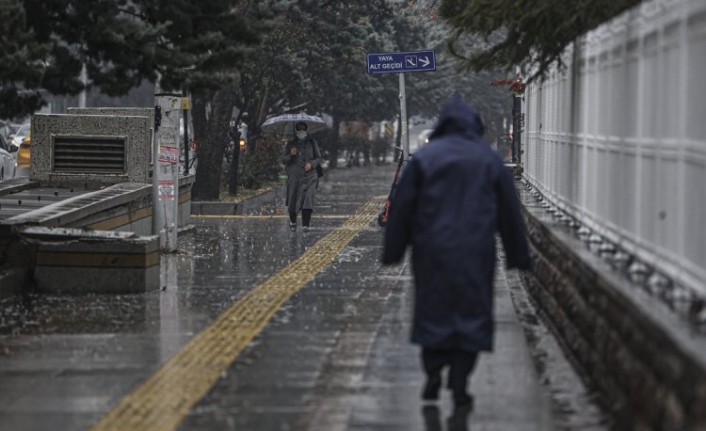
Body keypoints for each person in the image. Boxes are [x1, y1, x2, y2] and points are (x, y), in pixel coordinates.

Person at [381, 94, 531, 408]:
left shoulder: (424, 159)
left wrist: (392, 251)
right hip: (476, 251)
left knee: (433, 309)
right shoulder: (488, 159)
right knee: (471, 312)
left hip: (431, 251)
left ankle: (433, 374)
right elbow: (509, 212)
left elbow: (403, 208)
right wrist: (518, 255)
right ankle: (460, 382)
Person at [282, 121, 323, 232]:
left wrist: (312, 164)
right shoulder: (291, 144)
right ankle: (293, 221)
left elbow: (319, 158)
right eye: (299, 129)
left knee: (308, 199)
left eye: (303, 129)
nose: (301, 131)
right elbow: (284, 160)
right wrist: (291, 154)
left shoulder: (312, 142)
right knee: (293, 198)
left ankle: (306, 224)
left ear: (306, 130)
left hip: (310, 176)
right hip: (295, 175)